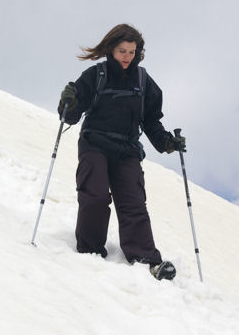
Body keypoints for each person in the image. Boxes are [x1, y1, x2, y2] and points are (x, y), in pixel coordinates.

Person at [58, 24, 186, 281]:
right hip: (94, 143)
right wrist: (67, 101)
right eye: (122, 51)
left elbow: (151, 121)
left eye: (132, 51)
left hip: (126, 149)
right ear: (111, 49)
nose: (127, 56)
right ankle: (90, 250)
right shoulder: (97, 75)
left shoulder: (143, 80)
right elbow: (70, 115)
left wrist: (167, 143)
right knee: (94, 194)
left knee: (133, 203)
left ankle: (147, 260)